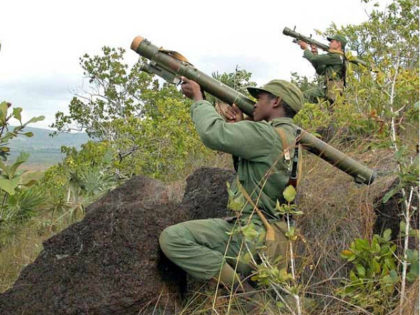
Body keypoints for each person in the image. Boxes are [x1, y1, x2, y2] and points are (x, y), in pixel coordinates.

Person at [159, 78, 304, 292]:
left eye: (260, 98)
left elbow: (212, 134)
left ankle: (243, 296)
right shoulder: (290, 138)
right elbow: (256, 171)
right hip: (272, 236)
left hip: (250, 236)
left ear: (276, 102)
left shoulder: (266, 135)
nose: (255, 103)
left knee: (173, 238)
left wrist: (198, 100)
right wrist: (239, 127)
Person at [298, 34, 347, 104]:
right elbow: (320, 70)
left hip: (331, 90)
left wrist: (306, 48)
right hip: (331, 90)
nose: (330, 43)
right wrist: (315, 53)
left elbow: (313, 59)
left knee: (303, 96)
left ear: (339, 43)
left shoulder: (336, 56)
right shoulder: (339, 57)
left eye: (332, 41)